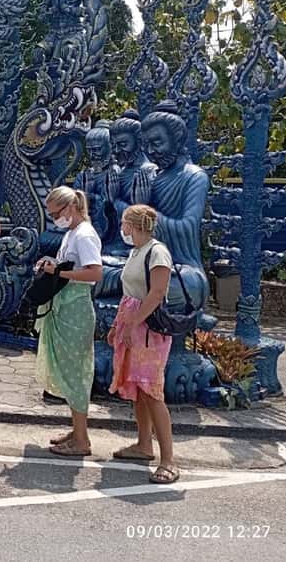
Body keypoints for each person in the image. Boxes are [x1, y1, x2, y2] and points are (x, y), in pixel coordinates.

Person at [108, 205, 179, 484]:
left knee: (151, 390)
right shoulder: (136, 251)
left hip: (149, 329)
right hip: (133, 325)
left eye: (124, 222)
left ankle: (168, 460)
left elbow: (158, 291)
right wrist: (118, 326)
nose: (121, 228)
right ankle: (143, 444)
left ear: (133, 224)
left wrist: (135, 321)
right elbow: (129, 292)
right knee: (138, 388)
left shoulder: (157, 251)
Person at [36, 186, 103, 457]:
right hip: (65, 307)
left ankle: (82, 439)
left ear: (70, 208)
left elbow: (95, 273)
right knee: (68, 370)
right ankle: (77, 430)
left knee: (76, 373)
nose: (54, 218)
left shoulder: (85, 235)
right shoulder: (71, 233)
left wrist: (59, 274)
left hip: (75, 308)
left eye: (56, 213)